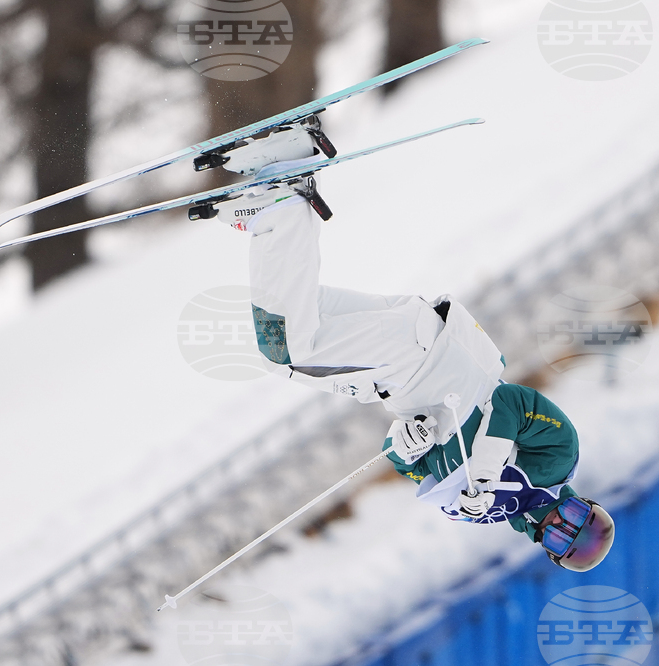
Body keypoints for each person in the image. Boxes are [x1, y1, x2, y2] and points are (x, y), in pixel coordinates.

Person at [206, 150, 615, 572]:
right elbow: (512, 402)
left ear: (544, 546)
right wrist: (487, 473)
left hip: (403, 366)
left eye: (557, 537)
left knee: (301, 310)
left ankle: (281, 187)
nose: (556, 523)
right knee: (287, 352)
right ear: (582, 503)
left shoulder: (480, 509)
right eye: (573, 519)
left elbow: (411, 466)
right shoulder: (559, 458)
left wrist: (405, 446)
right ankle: (283, 211)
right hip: (420, 361)